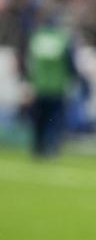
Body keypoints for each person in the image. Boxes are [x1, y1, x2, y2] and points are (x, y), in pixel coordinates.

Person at [23, 10, 78, 157]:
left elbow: (29, 62)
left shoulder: (36, 37)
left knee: (39, 120)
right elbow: (70, 62)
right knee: (55, 120)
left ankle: (37, 147)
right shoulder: (62, 39)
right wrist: (74, 77)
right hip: (57, 85)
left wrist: (28, 81)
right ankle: (52, 147)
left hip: (39, 85)